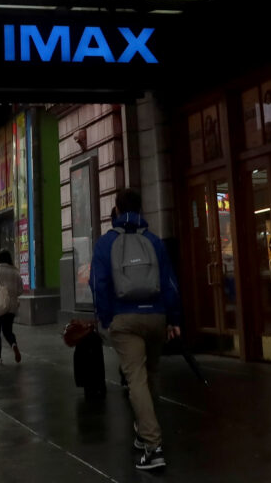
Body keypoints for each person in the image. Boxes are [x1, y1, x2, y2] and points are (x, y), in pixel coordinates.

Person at [91, 188, 182, 472]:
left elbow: (99, 283)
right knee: (150, 375)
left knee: (136, 380)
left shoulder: (106, 243)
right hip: (156, 317)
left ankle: (153, 447)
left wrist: (106, 319)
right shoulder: (154, 241)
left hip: (124, 319)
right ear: (141, 210)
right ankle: (145, 433)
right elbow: (170, 283)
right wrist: (174, 319)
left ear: (117, 209)